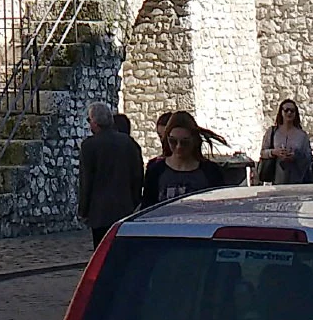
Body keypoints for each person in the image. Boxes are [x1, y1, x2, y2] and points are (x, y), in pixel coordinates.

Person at [77, 102, 144, 247]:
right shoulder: (128, 142)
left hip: (99, 211)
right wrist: (134, 200)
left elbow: (86, 180)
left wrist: (83, 210)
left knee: (102, 250)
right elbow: (137, 175)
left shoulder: (89, 146)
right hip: (125, 207)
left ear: (95, 122)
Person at [142, 111, 229, 207]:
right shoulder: (156, 170)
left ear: (194, 140)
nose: (178, 147)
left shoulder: (210, 171)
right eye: (173, 141)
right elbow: (147, 208)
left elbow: (219, 208)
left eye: (184, 142)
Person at [259, 99, 312, 186]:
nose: (289, 113)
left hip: (297, 179)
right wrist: (274, 152)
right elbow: (262, 152)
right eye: (286, 110)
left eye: (292, 111)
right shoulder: (272, 132)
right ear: (281, 112)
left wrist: (295, 156)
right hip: (276, 178)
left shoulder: (302, 135)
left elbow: (308, 157)